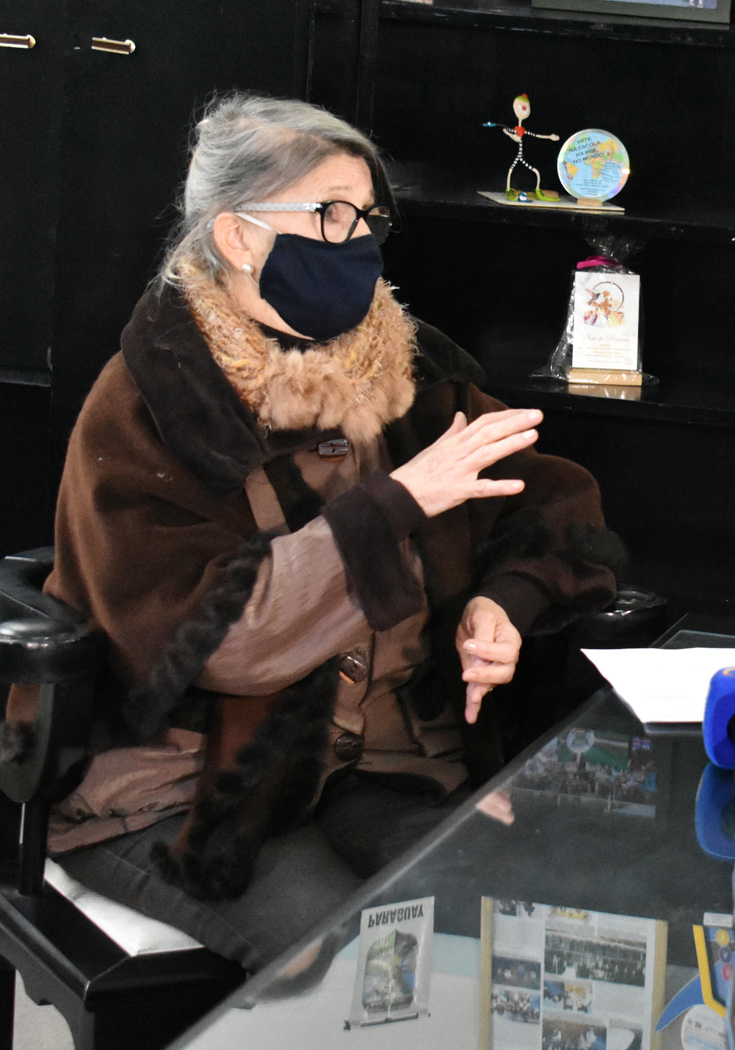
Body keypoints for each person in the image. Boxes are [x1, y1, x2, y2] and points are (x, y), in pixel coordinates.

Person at [26, 94, 625, 968]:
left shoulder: (414, 371)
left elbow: (550, 499)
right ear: (237, 236)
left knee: (509, 915)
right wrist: (395, 506)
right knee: (357, 964)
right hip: (187, 787)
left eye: (367, 217)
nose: (359, 242)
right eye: (330, 214)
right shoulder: (152, 403)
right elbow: (217, 641)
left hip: (381, 766)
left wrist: (503, 601)